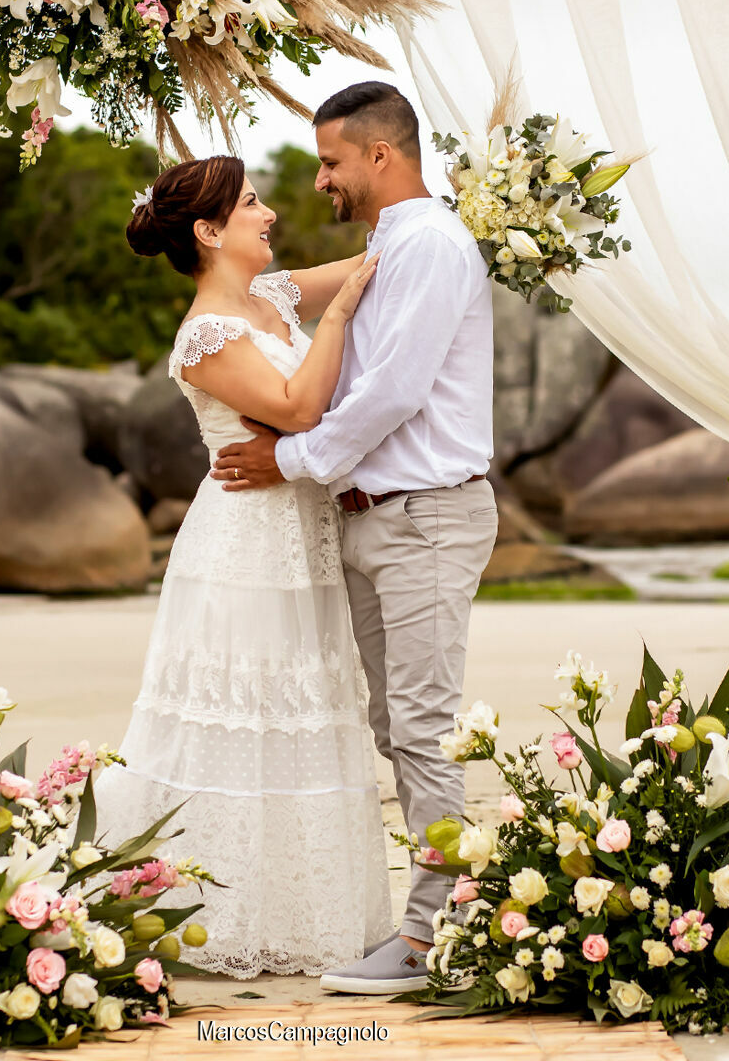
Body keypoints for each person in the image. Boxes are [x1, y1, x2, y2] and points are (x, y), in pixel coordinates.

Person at [211, 82, 497, 994]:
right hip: (378, 517)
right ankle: (444, 921)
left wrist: (290, 460)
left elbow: (391, 394)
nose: (320, 179)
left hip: (427, 517)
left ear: (381, 155)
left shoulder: (432, 247)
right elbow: (283, 308)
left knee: (419, 728)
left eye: (331, 161)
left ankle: (432, 939)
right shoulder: (386, 247)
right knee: (395, 724)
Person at [91, 154, 392, 978]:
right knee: (247, 719)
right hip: (245, 548)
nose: (268, 214)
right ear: (208, 231)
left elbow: (376, 257)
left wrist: (485, 208)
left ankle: (300, 918)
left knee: (304, 714)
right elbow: (296, 409)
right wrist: (338, 323)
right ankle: (213, 914)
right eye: (252, 204)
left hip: (303, 538)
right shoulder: (205, 335)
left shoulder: (274, 296)